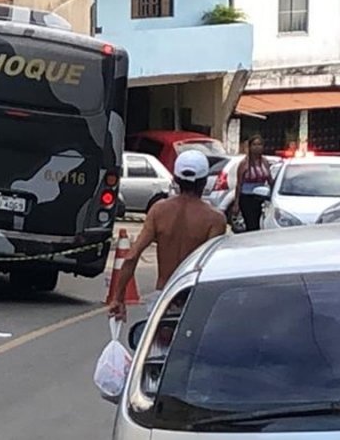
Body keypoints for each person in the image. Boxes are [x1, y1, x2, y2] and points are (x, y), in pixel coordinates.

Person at [109, 150, 228, 320]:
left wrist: (118, 299)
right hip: (193, 298)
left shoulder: (158, 210)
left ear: (176, 179)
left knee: (156, 345)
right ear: (204, 182)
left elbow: (131, 256)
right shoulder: (215, 219)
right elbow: (211, 268)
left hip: (164, 297)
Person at [229, 135, 272, 232]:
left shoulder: (264, 162)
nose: (257, 147)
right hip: (247, 198)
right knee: (252, 224)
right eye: (254, 145)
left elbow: (270, 179)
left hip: (262, 198)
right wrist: (236, 203)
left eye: (259, 144)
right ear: (250, 147)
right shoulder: (244, 163)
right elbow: (239, 184)